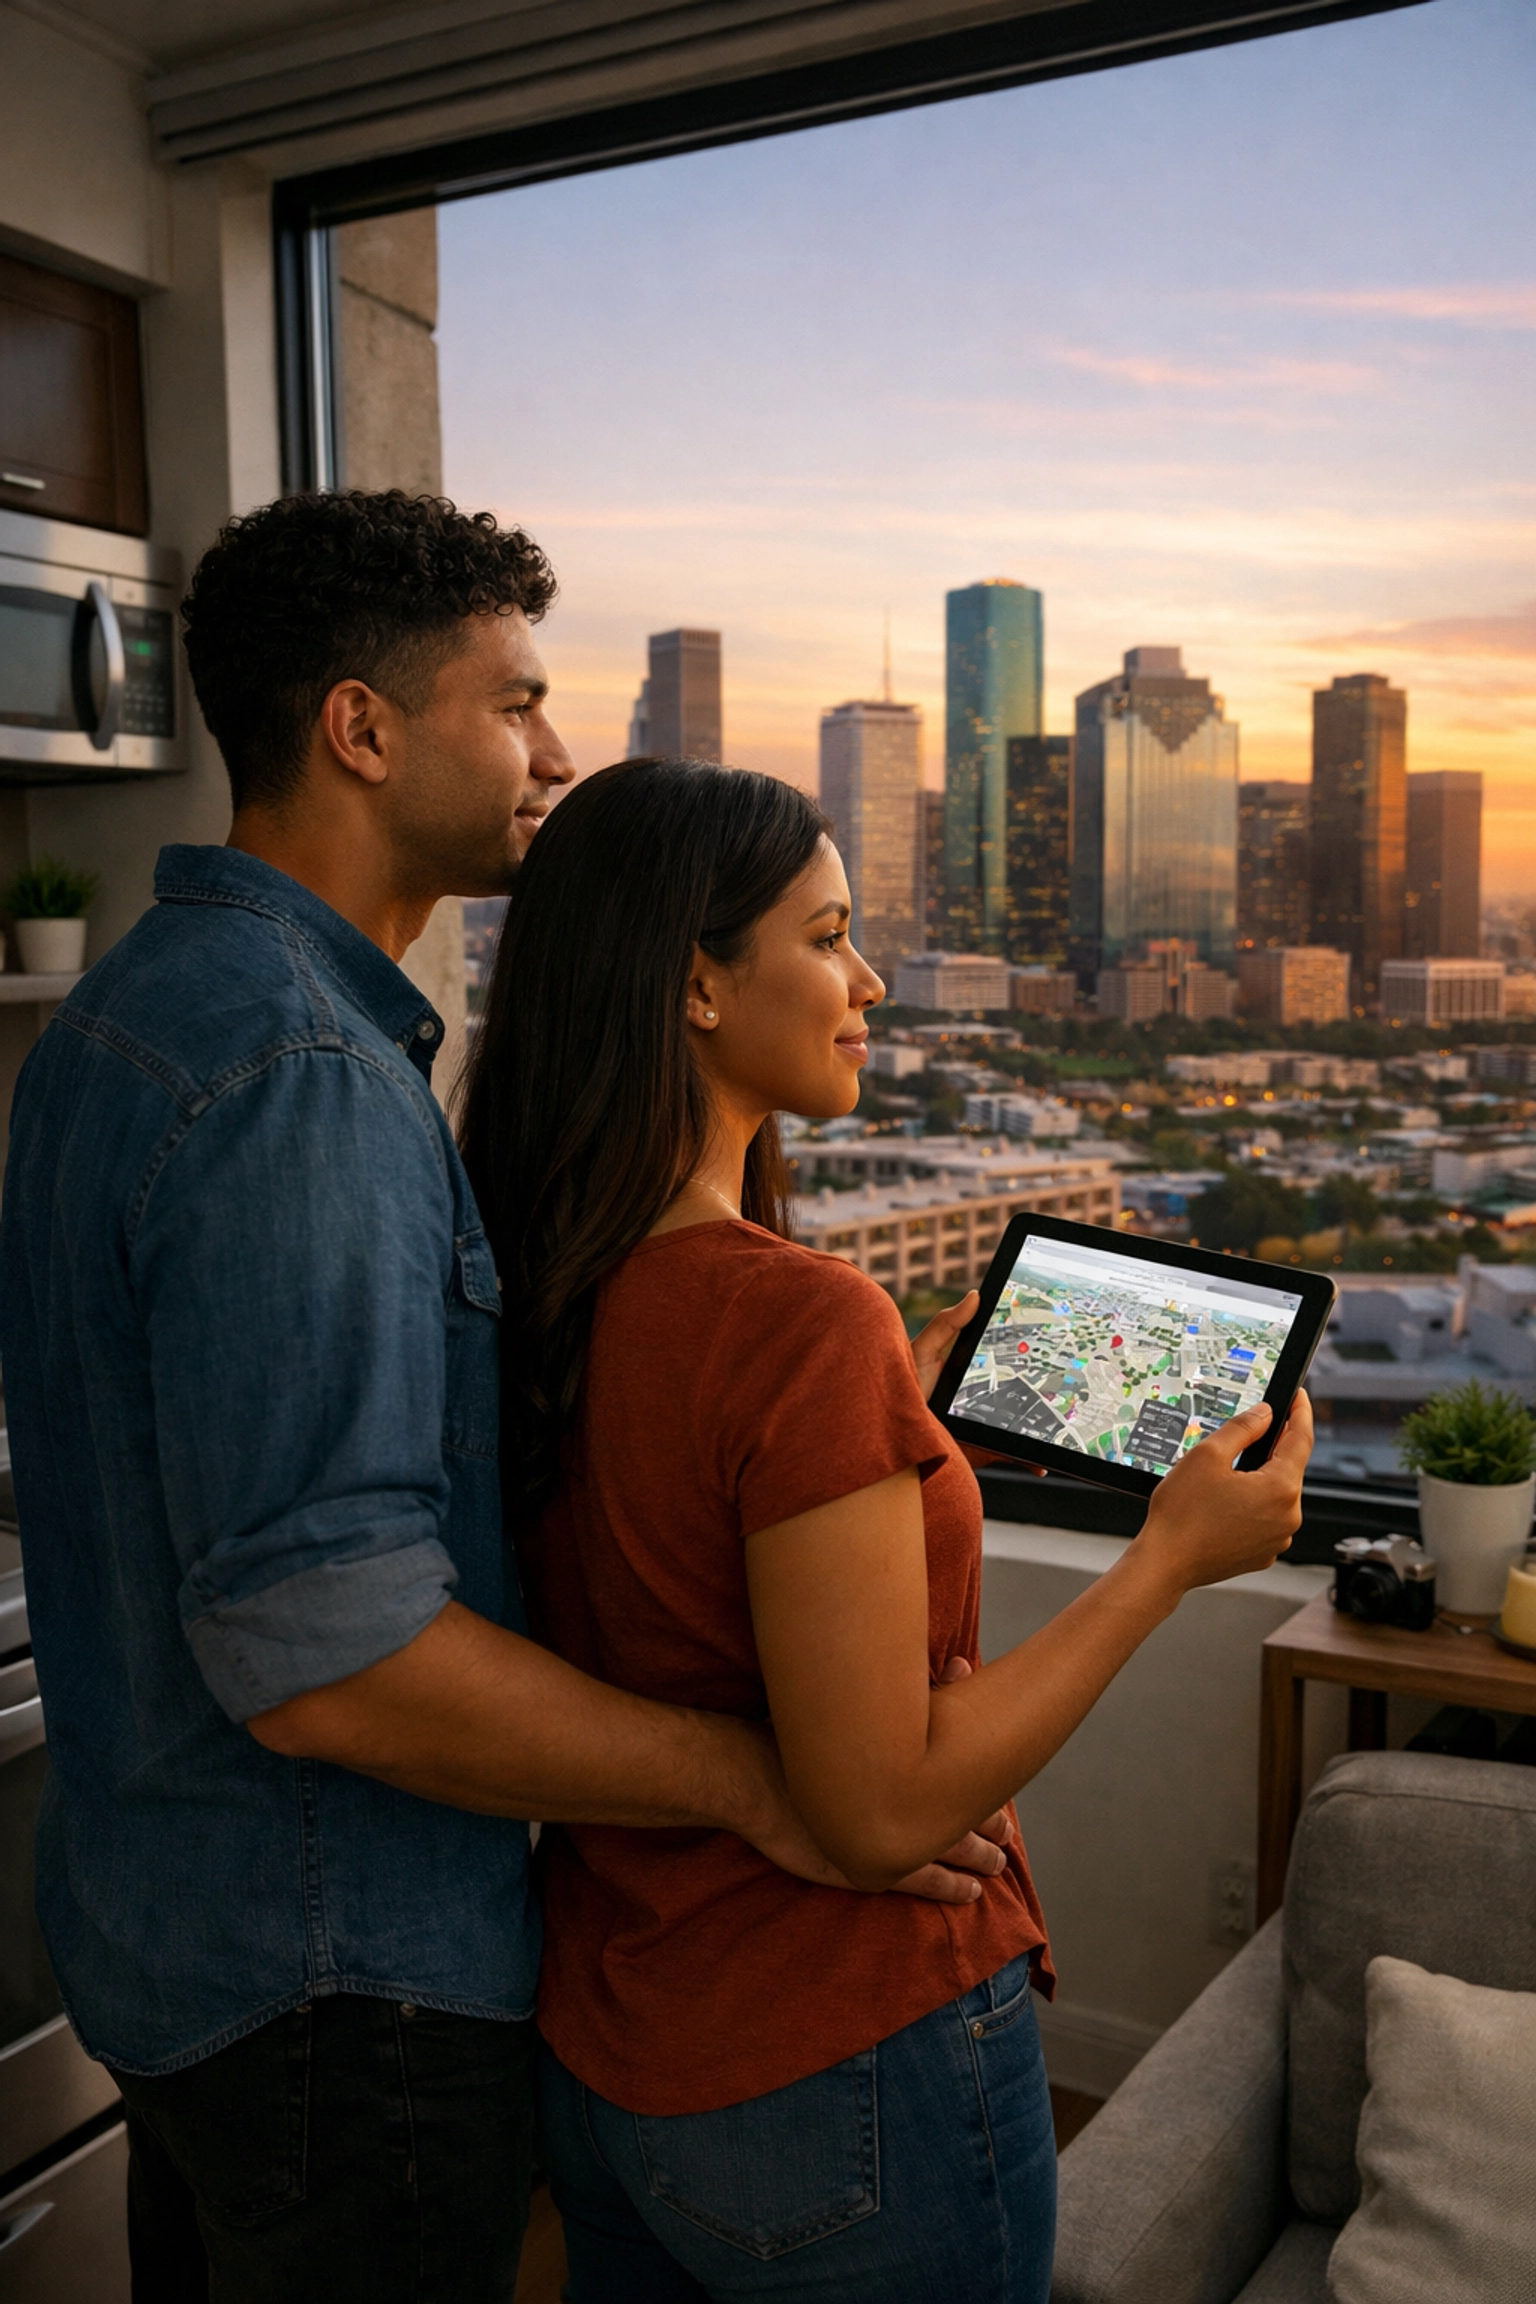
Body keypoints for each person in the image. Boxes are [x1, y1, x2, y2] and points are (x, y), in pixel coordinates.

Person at [0, 493, 1002, 2304]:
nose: (554, 754)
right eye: (517, 703)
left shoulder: (127, 1019)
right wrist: (744, 1781)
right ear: (363, 732)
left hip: (172, 1950)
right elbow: (330, 1648)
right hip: (334, 1988)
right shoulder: (298, 1070)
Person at [459, 758, 1312, 2303]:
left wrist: (895, 1414)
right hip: (835, 2057)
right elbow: (878, 1814)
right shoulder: (794, 1318)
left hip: (614, 2047)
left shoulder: (536, 1276)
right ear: (696, 983)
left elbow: (675, 1549)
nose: (869, 984)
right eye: (832, 936)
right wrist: (1170, 1562)